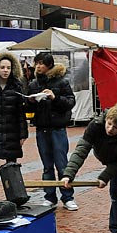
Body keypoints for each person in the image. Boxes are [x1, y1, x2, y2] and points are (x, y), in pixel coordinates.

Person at [60, 102, 117, 233]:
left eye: (116, 127)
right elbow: (82, 149)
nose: (110, 129)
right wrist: (69, 174)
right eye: (109, 124)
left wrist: (104, 177)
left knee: (116, 193)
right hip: (105, 156)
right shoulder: (96, 125)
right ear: (107, 119)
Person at [26, 52, 78, 211]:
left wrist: (55, 98)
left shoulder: (61, 82)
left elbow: (70, 102)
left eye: (42, 63)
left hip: (57, 129)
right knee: (47, 165)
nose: (39, 66)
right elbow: (28, 110)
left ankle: (68, 197)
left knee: (62, 164)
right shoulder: (33, 85)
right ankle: (49, 197)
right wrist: (30, 102)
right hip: (42, 129)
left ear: (49, 65)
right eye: (37, 63)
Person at [0, 51, 28, 202]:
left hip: (11, 133)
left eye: (8, 67)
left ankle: (15, 198)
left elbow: (20, 113)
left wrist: (23, 134)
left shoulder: (16, 87)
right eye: (2, 67)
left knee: (12, 168)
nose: (5, 70)